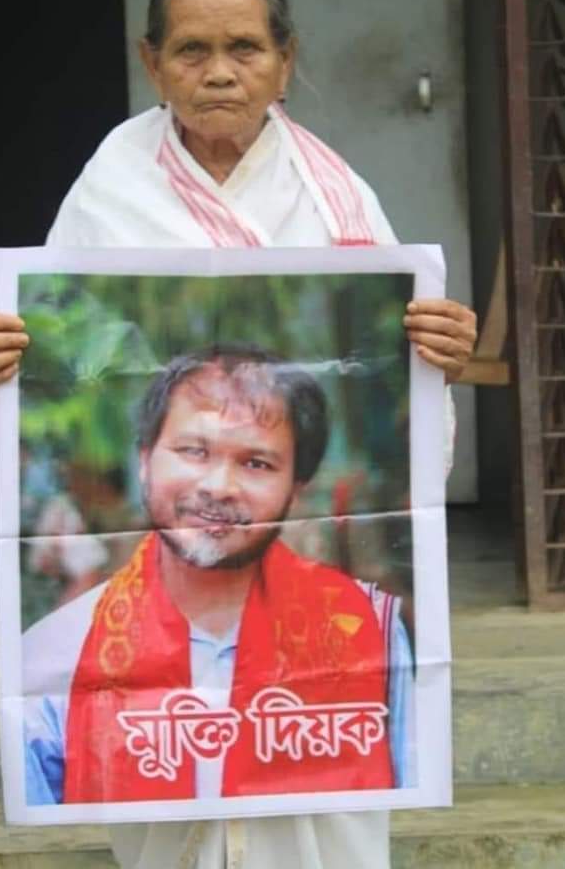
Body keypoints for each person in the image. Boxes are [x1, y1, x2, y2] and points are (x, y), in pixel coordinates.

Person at [0, 0, 477, 869]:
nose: (221, 71)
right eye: (191, 50)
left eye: (244, 46)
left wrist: (438, 353)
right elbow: (55, 364)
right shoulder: (108, 192)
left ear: (285, 59)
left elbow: (399, 378)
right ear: (150, 62)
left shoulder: (340, 200)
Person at [23, 343, 415, 807]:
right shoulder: (57, 651)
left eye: (256, 463)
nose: (218, 487)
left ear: (297, 489)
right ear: (145, 461)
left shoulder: (372, 631)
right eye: (193, 451)